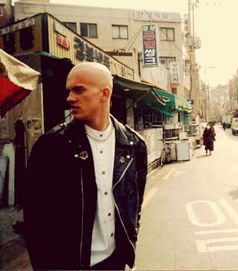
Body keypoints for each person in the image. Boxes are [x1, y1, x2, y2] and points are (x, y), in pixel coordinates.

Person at [23, 62, 148, 270]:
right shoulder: (51, 146)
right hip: (68, 263)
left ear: (104, 93)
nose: (70, 97)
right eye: (69, 90)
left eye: (79, 90)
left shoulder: (133, 145)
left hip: (114, 261)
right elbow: (35, 223)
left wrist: (129, 244)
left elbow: (135, 204)